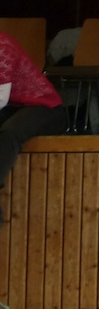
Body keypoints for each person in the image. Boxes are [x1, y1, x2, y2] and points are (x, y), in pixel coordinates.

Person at [0, 32, 66, 222]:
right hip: (14, 106)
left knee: (10, 133)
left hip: (46, 107)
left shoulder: (3, 45)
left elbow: (1, 97)